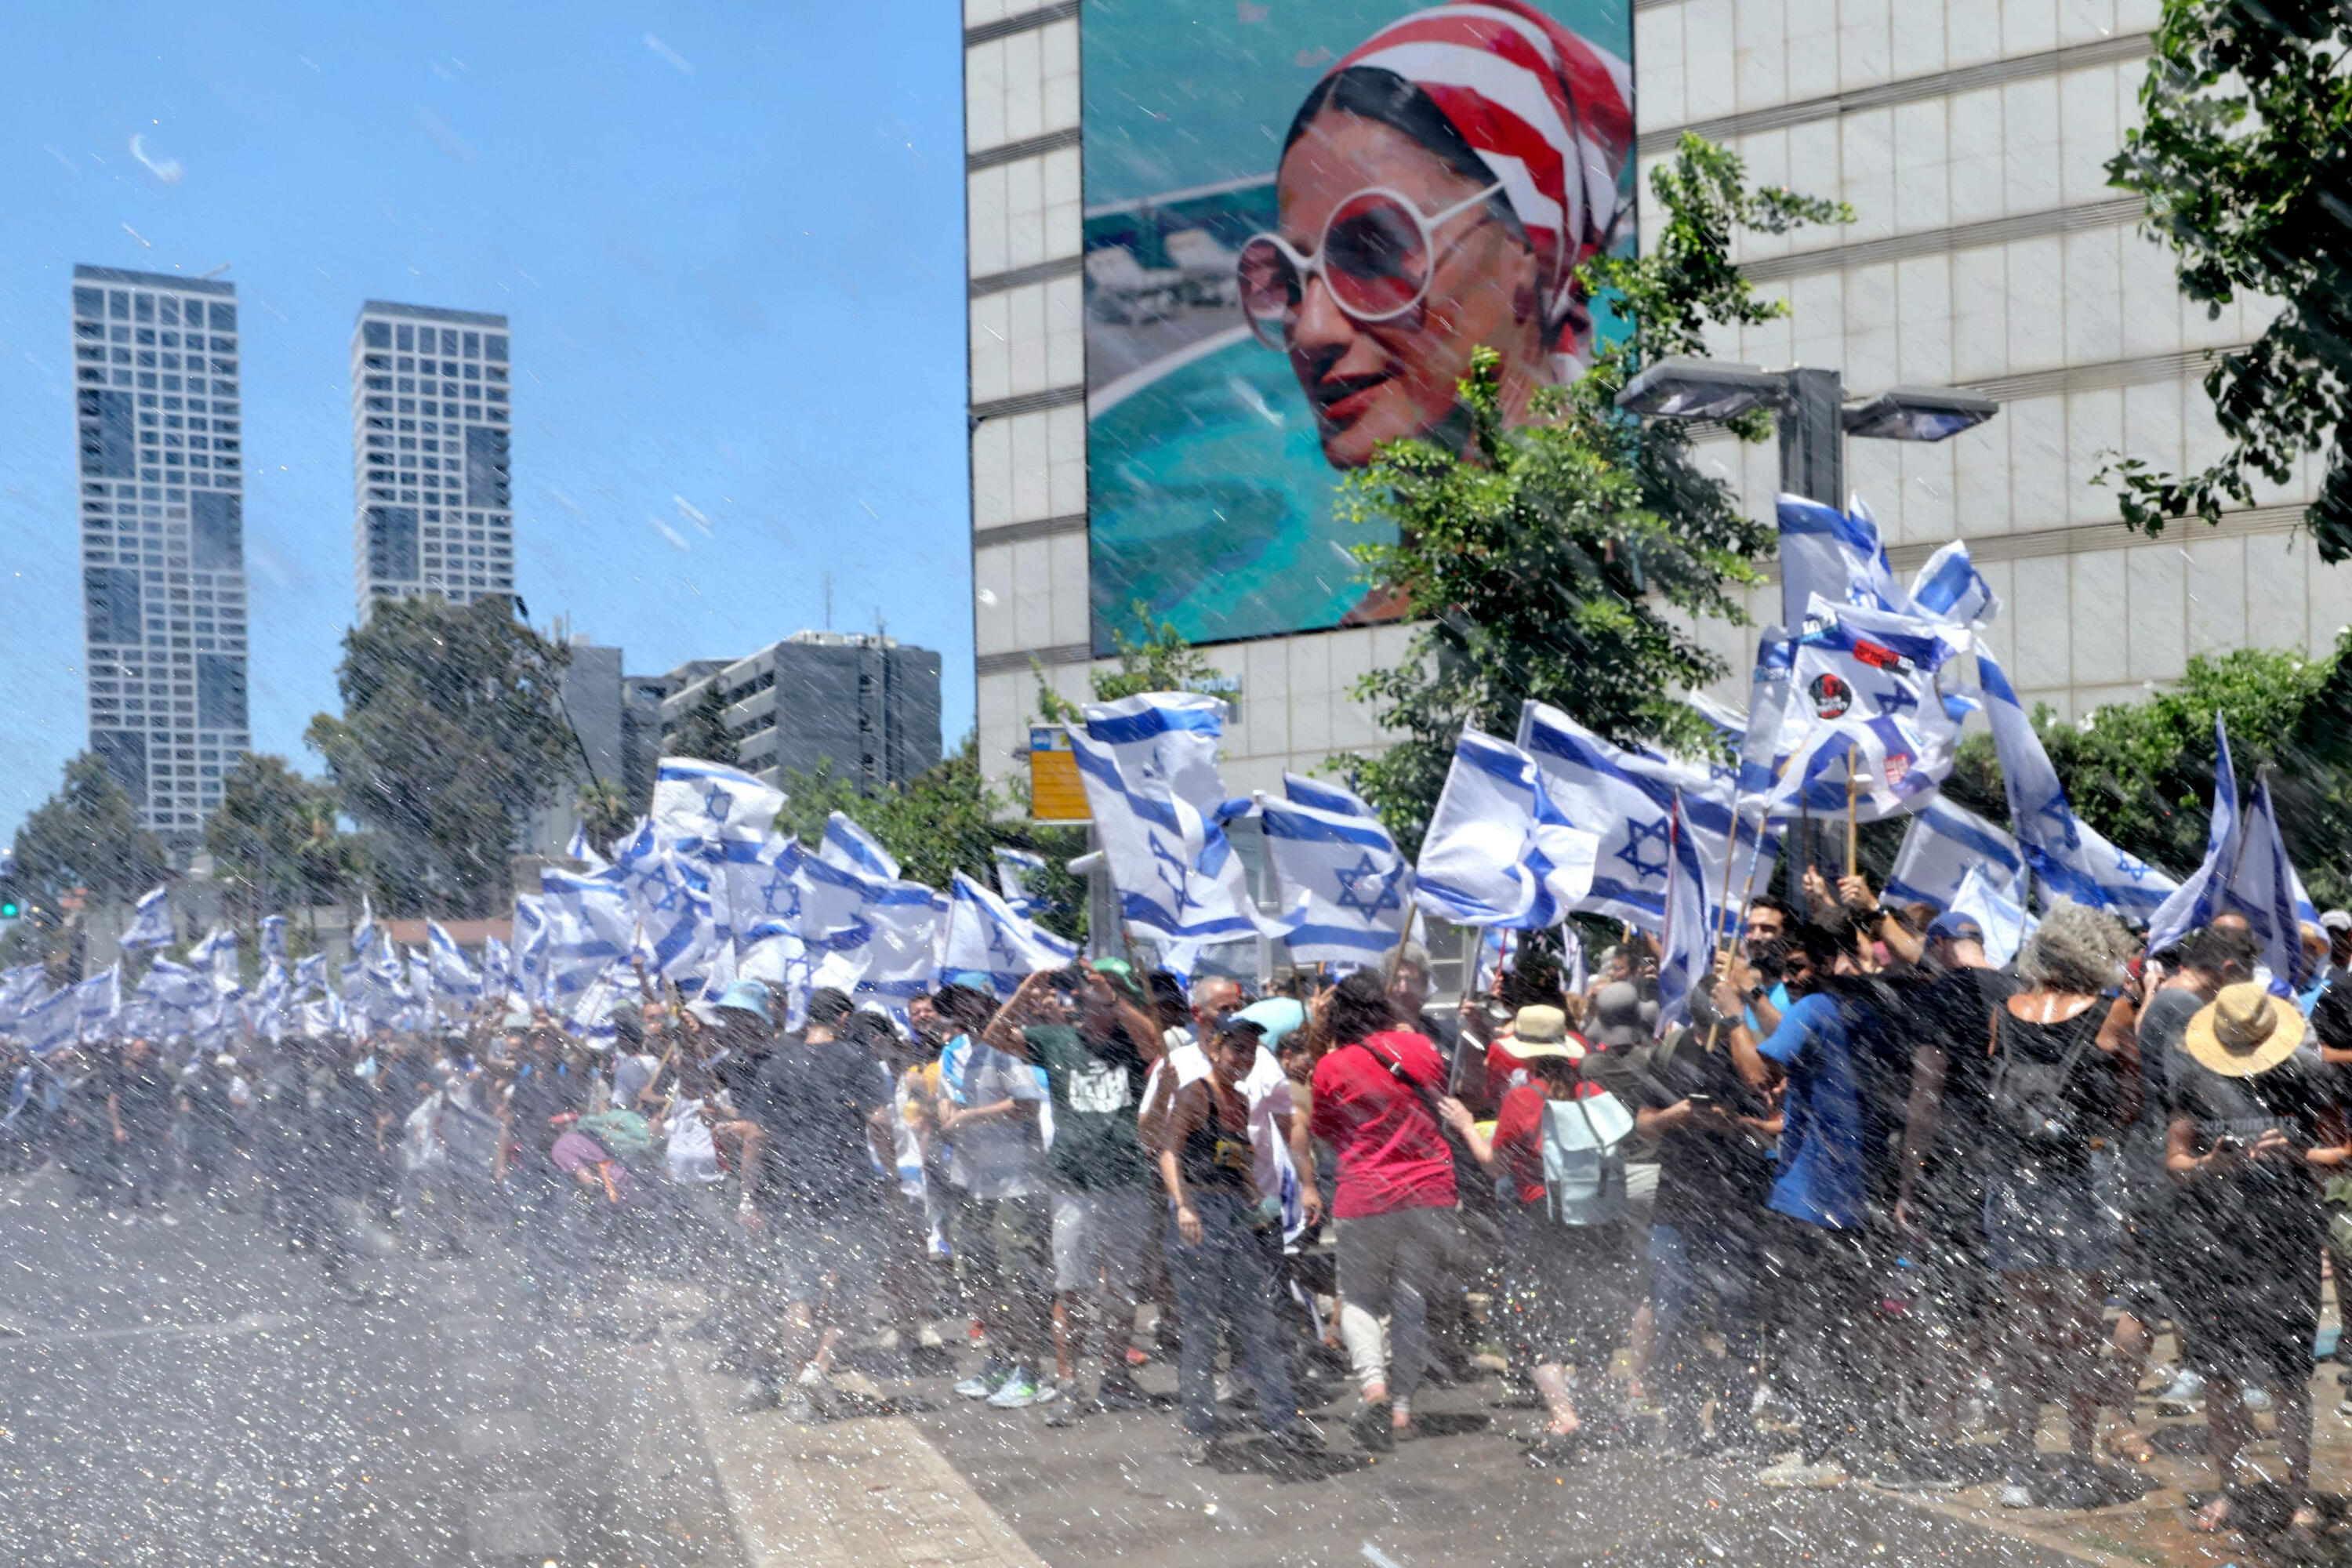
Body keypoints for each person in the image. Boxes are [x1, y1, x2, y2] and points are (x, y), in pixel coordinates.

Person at [1238, 0, 1633, 483]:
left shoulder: (1549, 549)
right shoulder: (1548, 522)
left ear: (1532, 249)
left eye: (1373, 252)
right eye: (1290, 280)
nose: (1311, 331)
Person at [2166, 981, 2350, 1539]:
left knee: (2290, 1381)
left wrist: (2295, 1153)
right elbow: (2173, 1160)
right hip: (2216, 1246)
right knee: (2219, 1378)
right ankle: (2226, 1490)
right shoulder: (2196, 1081)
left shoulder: (2306, 1079)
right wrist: (2211, 1166)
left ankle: (2299, 1496)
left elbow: (2341, 1157)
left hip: (2287, 1244)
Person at [1976, 902, 2140, 1510]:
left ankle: (2019, 1467)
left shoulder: (2004, 1012)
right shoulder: (2113, 1012)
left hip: (2013, 1182)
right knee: (2078, 1335)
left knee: (2024, 1332)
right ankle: (2077, 1464)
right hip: (2082, 1183)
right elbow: (2130, 1104)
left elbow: (1994, 1085)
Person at [1714, 922, 1879, 1488]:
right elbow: (1789, 1035)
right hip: (1845, 1195)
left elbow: (1760, 1071)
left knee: (1807, 1329)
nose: (1795, 976)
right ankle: (1839, 1440)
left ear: (1831, 963)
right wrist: (1755, 996)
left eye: (1804, 965)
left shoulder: (1813, 1009)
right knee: (1833, 1327)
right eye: (1788, 967)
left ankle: (1820, 1452)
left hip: (1809, 1196)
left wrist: (1734, 1010)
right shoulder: (1843, 1011)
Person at [1439, 1010, 1641, 1463]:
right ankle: (1594, 1412)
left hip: (1546, 1223)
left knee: (1535, 1321)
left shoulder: (1523, 1099)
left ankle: (1566, 1418)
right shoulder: (1596, 1093)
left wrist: (1467, 1125)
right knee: (1590, 1314)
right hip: (1599, 1223)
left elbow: (1495, 1166)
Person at [982, 961, 1165, 1424]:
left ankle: (1117, 1376)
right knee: (1073, 1287)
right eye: (1090, 991)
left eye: (1106, 992)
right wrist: (1024, 991)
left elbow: (1158, 1046)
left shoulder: (1131, 1043)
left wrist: (1115, 998)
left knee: (1121, 1287)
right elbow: (995, 1035)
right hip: (1073, 1182)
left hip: (1126, 1179)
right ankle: (1068, 1381)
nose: (1093, 998)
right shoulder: (1057, 1040)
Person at [1155, 1014, 1319, 1465]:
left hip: (1233, 1214)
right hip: (1198, 1214)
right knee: (1201, 1328)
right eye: (1237, 1049)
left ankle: (1282, 1419)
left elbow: (1234, 1158)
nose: (1244, 1058)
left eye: (1251, 1051)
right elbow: (1168, 1150)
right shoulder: (1196, 1092)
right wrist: (1184, 1205)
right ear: (1215, 1049)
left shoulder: (1242, 1100)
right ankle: (1199, 1427)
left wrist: (1257, 1197)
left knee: (1256, 1322)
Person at [1309, 968, 1457, 1451]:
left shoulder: (1333, 1066)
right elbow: (1442, 1095)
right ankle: (1402, 1410)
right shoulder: (1422, 1050)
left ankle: (1373, 1386)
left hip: (1365, 1194)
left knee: (1359, 1299)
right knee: (1412, 1299)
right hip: (1430, 1191)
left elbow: (1325, 1132)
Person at [733, 987, 896, 1421]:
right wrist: (893, 1174)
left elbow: (754, 1136)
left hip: (791, 1192)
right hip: (849, 1190)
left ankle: (799, 1389)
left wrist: (749, 1195)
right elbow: (879, 1122)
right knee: (855, 1291)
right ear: (844, 1020)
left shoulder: (776, 1065)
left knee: (799, 1295)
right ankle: (817, 1372)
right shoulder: (859, 1060)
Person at [1631, 982, 1777, 1457]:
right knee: (1674, 1314)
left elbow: (1770, 1115)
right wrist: (1680, 1114)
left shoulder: (1748, 1051)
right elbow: (1644, 1122)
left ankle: (1735, 1427)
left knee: (1736, 1318)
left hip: (1734, 1203)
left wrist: (1730, 1123)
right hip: (1677, 1203)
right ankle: (1681, 1420)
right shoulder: (1668, 1052)